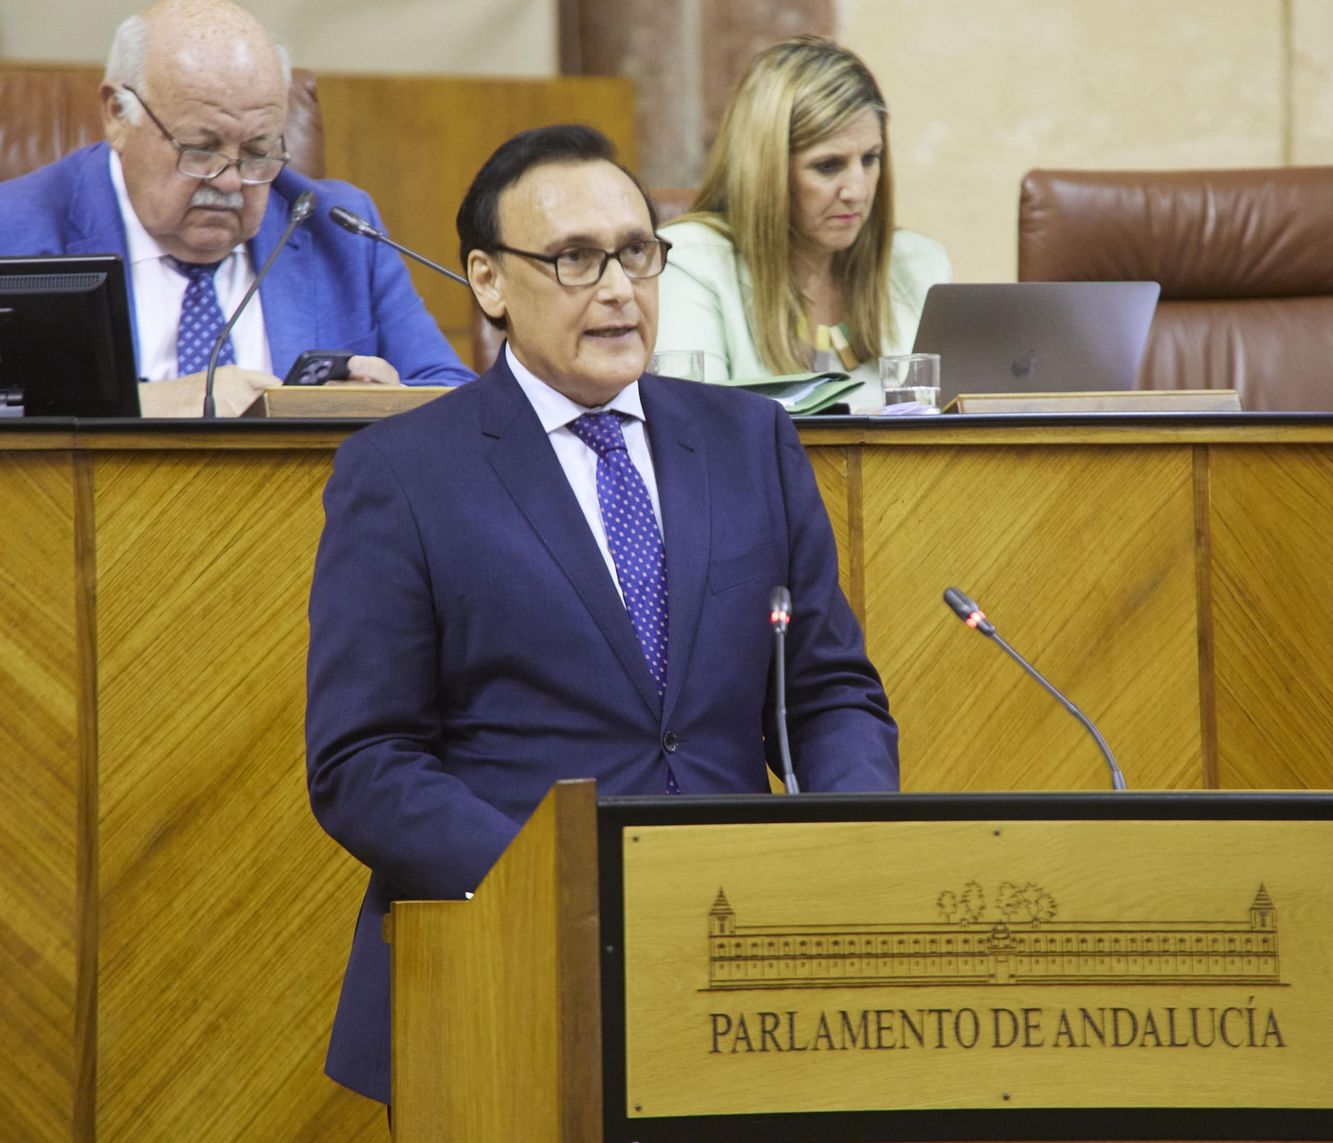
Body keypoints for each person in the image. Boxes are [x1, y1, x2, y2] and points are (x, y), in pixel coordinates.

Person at [304, 124, 899, 1104]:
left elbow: (827, 691)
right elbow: (363, 761)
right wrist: (557, 891)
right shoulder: (404, 475)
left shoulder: (750, 440)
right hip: (505, 974)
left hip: (737, 967)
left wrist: (850, 841)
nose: (620, 287)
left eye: (636, 251)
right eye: (576, 259)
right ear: (489, 283)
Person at [0, 0, 474, 416]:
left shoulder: (340, 229)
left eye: (258, 151)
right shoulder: (15, 228)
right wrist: (146, 405)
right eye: (200, 149)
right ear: (118, 115)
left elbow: (458, 401)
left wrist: (375, 407)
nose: (229, 180)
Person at [654, 36, 951, 412]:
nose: (857, 191)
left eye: (870, 159)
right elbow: (695, 434)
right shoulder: (692, 264)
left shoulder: (917, 263)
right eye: (828, 166)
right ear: (766, 172)